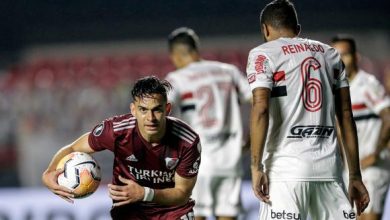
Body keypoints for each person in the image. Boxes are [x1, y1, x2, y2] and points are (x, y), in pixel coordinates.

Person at [246, 0, 370, 219]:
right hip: (330, 172)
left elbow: (261, 109)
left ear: (265, 29)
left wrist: (256, 167)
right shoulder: (330, 54)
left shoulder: (263, 54)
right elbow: (346, 116)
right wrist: (355, 176)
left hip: (285, 172)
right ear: (298, 29)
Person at [42, 76, 202, 220]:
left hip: (173, 212)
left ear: (167, 109)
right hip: (130, 212)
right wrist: (48, 173)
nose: (150, 118)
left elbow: (182, 193)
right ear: (133, 110)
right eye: (143, 110)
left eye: (157, 110)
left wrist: (144, 193)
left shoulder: (187, 141)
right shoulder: (116, 131)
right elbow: (73, 148)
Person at [165, 27, 252, 220]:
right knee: (228, 214)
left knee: (196, 215)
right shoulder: (228, 71)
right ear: (196, 49)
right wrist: (251, 139)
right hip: (231, 158)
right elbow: (258, 99)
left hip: (198, 160)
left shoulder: (177, 78)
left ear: (175, 55)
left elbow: (161, 109)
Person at [332, 35, 390, 220]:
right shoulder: (336, 89)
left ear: (356, 57)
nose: (340, 60)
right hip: (350, 169)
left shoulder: (367, 84)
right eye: (335, 56)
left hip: (372, 167)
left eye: (345, 55)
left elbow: (388, 117)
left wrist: (376, 153)